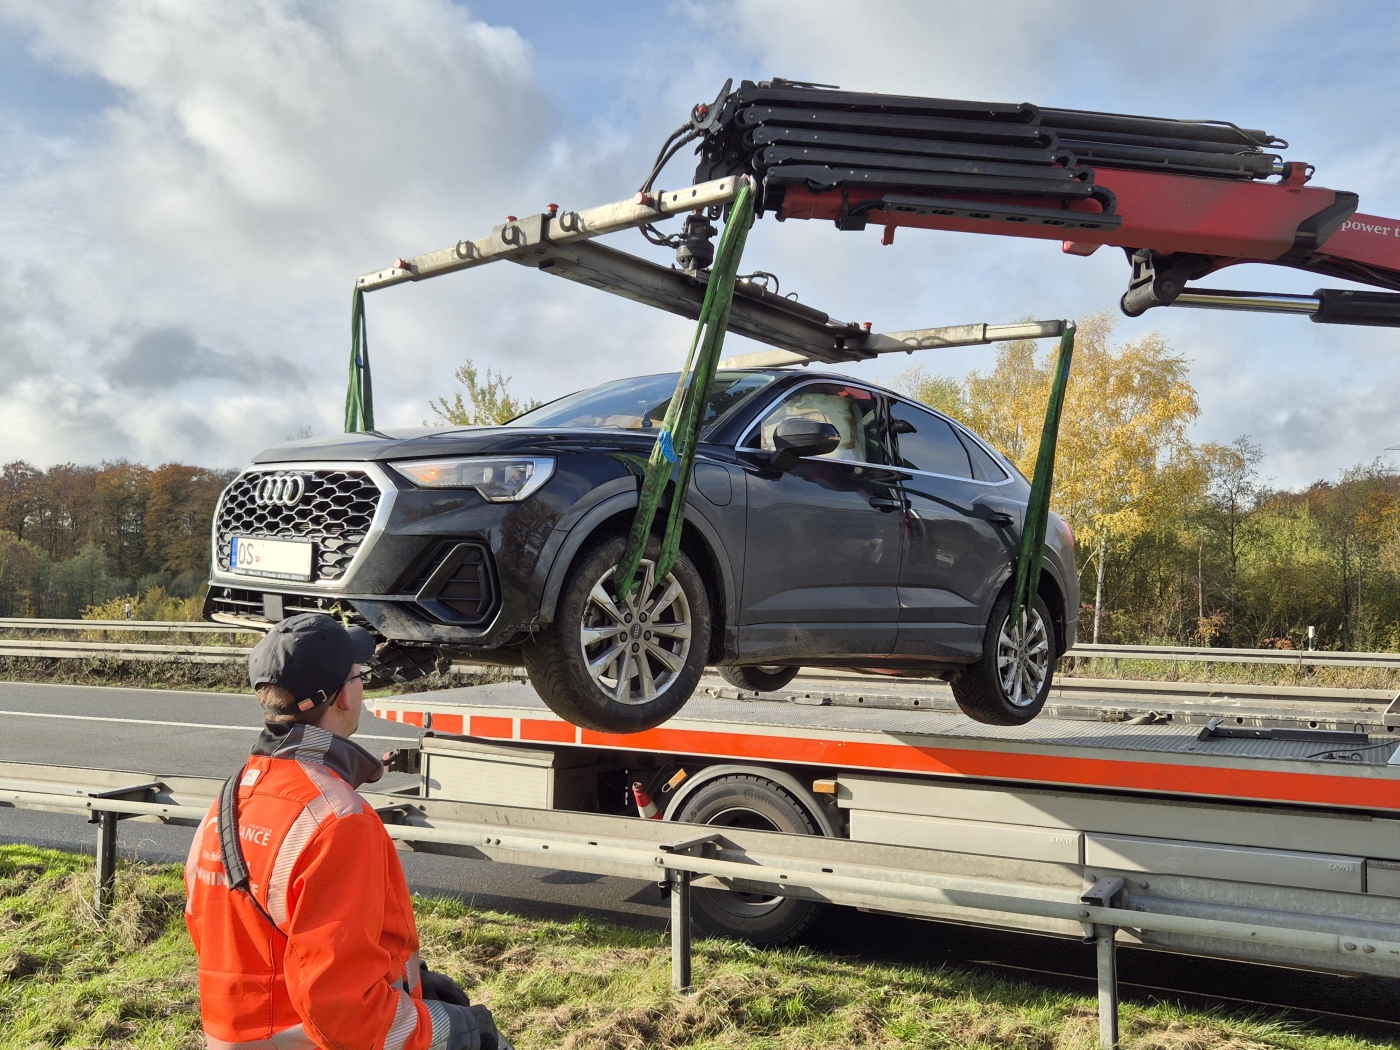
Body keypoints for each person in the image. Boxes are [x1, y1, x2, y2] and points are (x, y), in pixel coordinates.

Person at [184, 613, 504, 1050]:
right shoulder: (338, 821)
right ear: (342, 698)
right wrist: (459, 1032)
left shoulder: (232, 798)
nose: (362, 687)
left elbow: (232, 933)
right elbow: (347, 1014)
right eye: (359, 676)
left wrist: (413, 984)